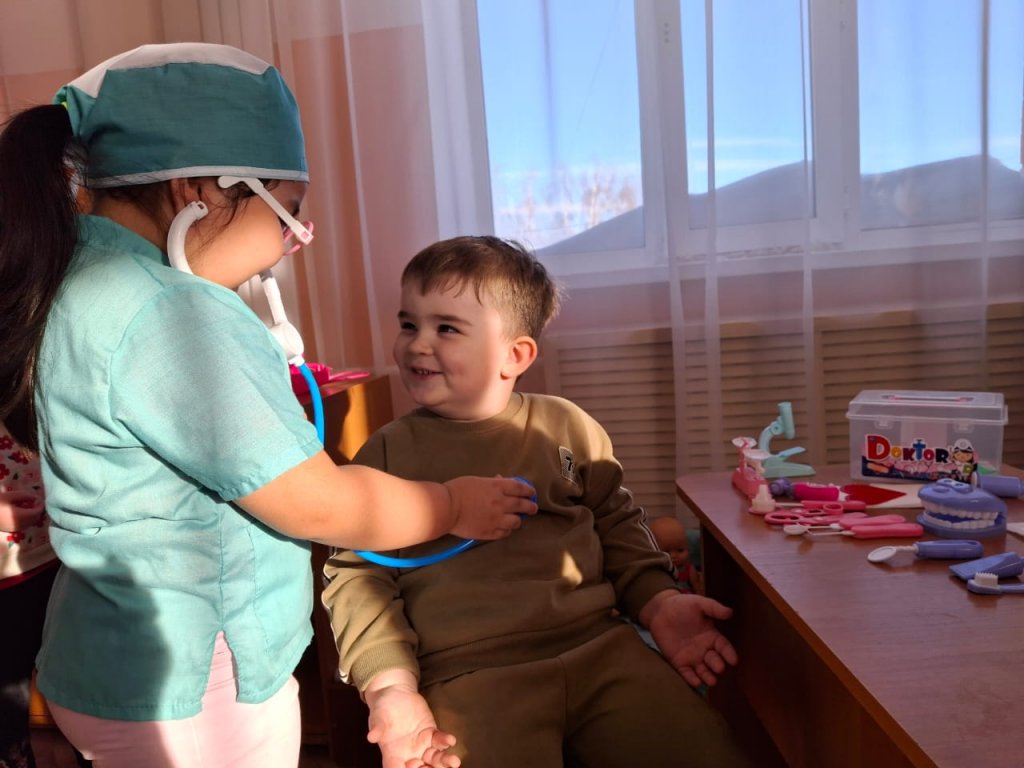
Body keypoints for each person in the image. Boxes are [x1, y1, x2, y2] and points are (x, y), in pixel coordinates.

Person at [0, 43, 536, 768]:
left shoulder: (79, 285)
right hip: (197, 683)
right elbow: (320, 504)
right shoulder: (171, 313)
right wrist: (453, 505)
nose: (289, 245)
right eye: (287, 215)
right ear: (199, 191)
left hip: (106, 658)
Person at [322, 236, 752, 768]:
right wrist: (390, 686)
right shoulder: (386, 453)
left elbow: (616, 524)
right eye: (409, 324)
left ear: (516, 355)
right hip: (469, 675)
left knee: (705, 750)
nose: (416, 345)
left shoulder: (566, 427)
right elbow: (358, 574)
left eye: (446, 328)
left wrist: (658, 600)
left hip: (601, 648)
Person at [648, 515, 702, 594]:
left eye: (680, 550)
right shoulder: (657, 571)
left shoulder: (689, 569)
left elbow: (698, 589)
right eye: (667, 551)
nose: (674, 556)